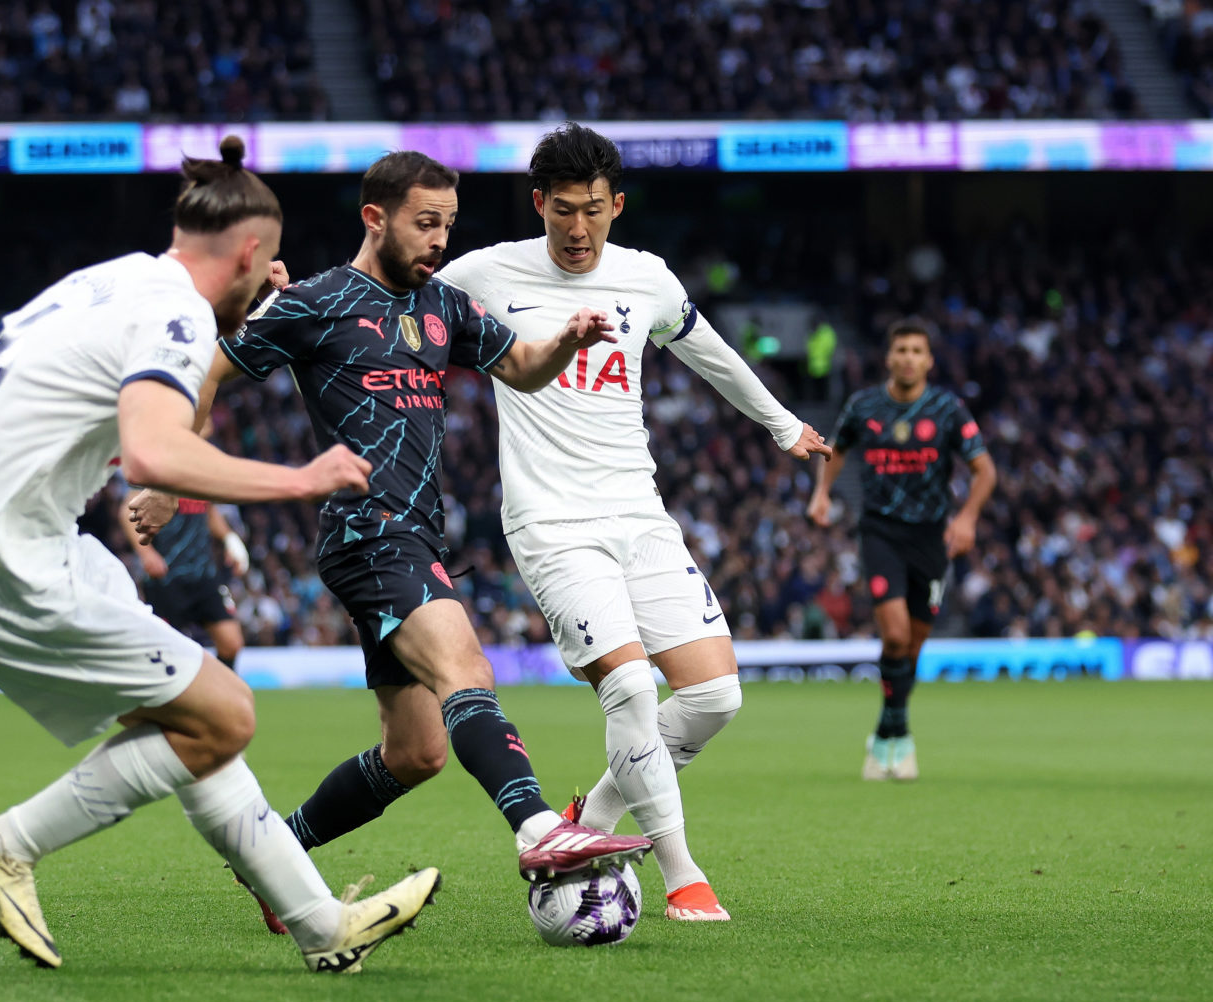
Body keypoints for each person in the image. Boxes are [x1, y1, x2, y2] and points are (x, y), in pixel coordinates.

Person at [0, 137, 439, 975]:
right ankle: (6, 845)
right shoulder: (179, 314)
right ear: (249, 253)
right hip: (7, 571)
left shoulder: (106, 280)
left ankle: (319, 926)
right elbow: (154, 455)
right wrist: (301, 478)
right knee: (227, 713)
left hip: (13, 554)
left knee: (189, 721)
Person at [131, 150, 653, 935]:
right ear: (374, 218)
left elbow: (522, 366)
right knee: (465, 666)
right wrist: (171, 472)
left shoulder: (444, 305)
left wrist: (570, 340)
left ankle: (276, 858)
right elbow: (208, 369)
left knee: (416, 753)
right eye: (424, 223)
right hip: (367, 532)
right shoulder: (316, 302)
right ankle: (542, 828)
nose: (440, 238)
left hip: (417, 537)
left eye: (448, 223)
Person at [437, 122, 829, 923]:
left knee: (715, 696)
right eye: (562, 213)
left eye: (593, 211)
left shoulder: (645, 278)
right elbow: (383, 298)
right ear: (537, 203)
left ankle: (595, 821)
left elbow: (710, 350)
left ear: (617, 204)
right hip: (551, 521)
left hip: (638, 511)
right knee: (629, 688)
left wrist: (783, 424)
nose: (578, 231)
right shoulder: (483, 272)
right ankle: (684, 876)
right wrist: (282, 294)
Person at [809, 316, 996, 781]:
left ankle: (888, 733)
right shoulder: (865, 405)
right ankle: (900, 736)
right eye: (901, 350)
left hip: (931, 538)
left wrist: (968, 516)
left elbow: (985, 471)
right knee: (893, 635)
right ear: (889, 358)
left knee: (911, 648)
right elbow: (837, 451)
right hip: (881, 533)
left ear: (929, 360)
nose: (908, 358)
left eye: (917, 351)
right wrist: (821, 493)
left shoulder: (947, 409)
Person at [119, 492, 248, 670]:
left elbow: (208, 510)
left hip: (204, 575)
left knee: (231, 642)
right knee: (165, 651)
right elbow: (127, 509)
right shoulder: (160, 470)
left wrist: (229, 538)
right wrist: (146, 553)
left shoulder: (199, 477)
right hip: (166, 578)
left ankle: (215, 694)